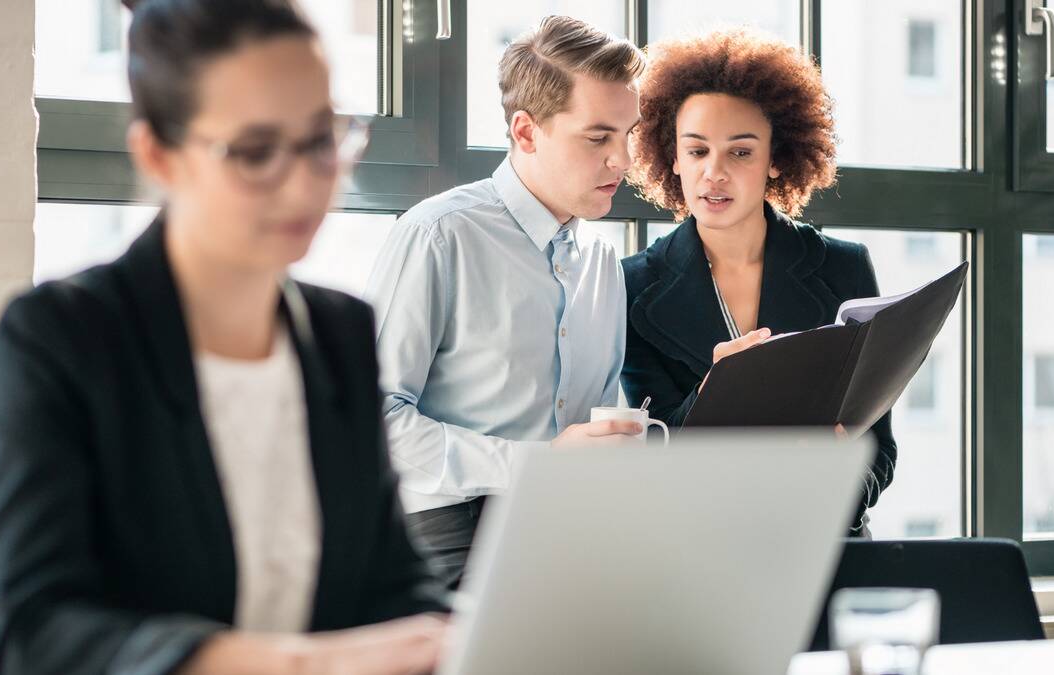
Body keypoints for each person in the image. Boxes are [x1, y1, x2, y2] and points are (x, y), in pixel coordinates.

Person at [0, 1, 449, 673]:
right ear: (159, 155)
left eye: (321, 139)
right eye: (255, 152)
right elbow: (36, 629)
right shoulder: (61, 337)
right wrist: (303, 664)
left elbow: (391, 580)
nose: (304, 182)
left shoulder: (341, 330)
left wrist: (456, 634)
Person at [364, 16, 647, 588]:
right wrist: (534, 466)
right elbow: (373, 423)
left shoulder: (602, 262)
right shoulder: (439, 235)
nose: (624, 161)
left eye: (629, 134)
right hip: (451, 539)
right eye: (598, 138)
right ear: (525, 132)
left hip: (573, 536)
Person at [621, 29, 897, 535]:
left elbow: (879, 447)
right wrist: (710, 395)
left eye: (741, 153)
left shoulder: (844, 266)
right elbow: (652, 455)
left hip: (826, 548)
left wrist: (835, 480)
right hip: (699, 550)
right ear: (672, 157)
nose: (715, 173)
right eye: (697, 151)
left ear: (776, 159)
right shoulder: (633, 285)